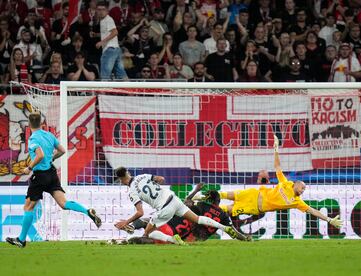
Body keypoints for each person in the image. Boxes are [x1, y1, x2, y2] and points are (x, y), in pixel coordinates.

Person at [6, 112, 101, 248]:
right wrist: (52, 158)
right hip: (51, 173)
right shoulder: (49, 135)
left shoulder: (33, 139)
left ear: (28, 124)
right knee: (63, 203)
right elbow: (62, 150)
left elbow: (40, 155)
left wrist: (29, 168)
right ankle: (87, 212)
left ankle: (21, 240)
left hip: (39, 176)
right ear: (41, 123)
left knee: (28, 206)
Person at [219, 135, 343, 230]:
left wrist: (329, 219)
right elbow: (277, 166)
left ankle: (201, 209)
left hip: (254, 207)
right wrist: (276, 150)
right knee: (225, 194)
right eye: (302, 187)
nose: (303, 190)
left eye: (304, 189)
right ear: (295, 184)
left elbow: (313, 211)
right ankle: (201, 196)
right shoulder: (285, 183)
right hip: (253, 194)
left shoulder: (297, 202)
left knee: (226, 209)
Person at [114, 167, 247, 245]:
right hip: (174, 199)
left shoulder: (132, 192)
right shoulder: (142, 176)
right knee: (197, 219)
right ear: (128, 173)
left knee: (148, 233)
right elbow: (161, 179)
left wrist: (126, 221)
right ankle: (224, 228)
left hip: (164, 208)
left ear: (121, 179)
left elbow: (140, 213)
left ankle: (174, 240)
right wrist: (155, 186)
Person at [96, 1, 128, 80]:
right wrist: (96, 35)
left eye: (103, 9)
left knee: (105, 75)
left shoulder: (108, 19)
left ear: (107, 10)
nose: (101, 12)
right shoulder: (103, 20)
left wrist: (102, 42)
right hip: (116, 49)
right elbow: (108, 33)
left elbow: (115, 32)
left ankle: (102, 92)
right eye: (99, 10)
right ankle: (132, 91)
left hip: (109, 49)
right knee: (121, 74)